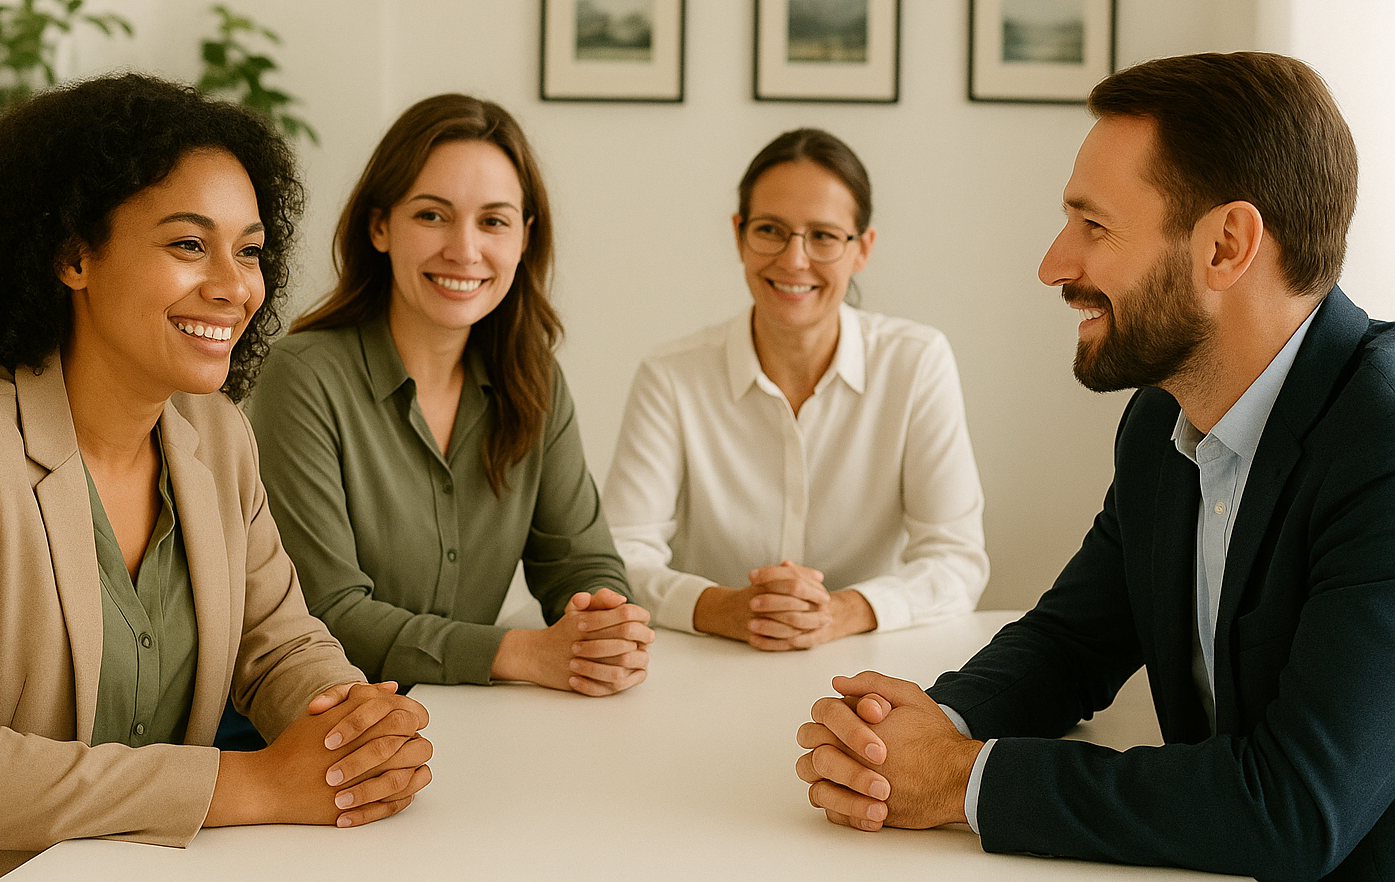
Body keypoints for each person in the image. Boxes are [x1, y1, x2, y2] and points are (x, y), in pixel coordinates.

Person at [796, 52, 1395, 880]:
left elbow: (1293, 805)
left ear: (1226, 246)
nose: (1054, 264)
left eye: (1094, 225)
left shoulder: (1384, 442)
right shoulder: (1162, 421)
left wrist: (960, 779)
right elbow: (1073, 640)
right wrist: (910, 727)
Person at [0, 75, 433, 882]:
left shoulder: (218, 436)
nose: (234, 286)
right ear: (73, 255)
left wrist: (355, 732)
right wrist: (253, 783)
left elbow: (279, 645)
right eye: (189, 244)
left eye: (251, 249)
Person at [247, 93, 651, 696]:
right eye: (432, 215)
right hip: (330, 731)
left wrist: (604, 626)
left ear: (523, 237)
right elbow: (325, 613)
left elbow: (577, 561)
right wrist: (521, 652)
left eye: (493, 221)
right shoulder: (303, 377)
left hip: (472, 720)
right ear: (380, 226)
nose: (464, 249)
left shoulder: (533, 377)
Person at [602, 129, 988, 649]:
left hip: (870, 659)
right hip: (710, 659)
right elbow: (621, 552)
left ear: (862, 248)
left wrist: (841, 611)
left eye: (823, 236)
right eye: (770, 230)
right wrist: (725, 609)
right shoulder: (671, 375)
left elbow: (956, 559)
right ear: (739, 235)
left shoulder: (916, 363)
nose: (793, 259)